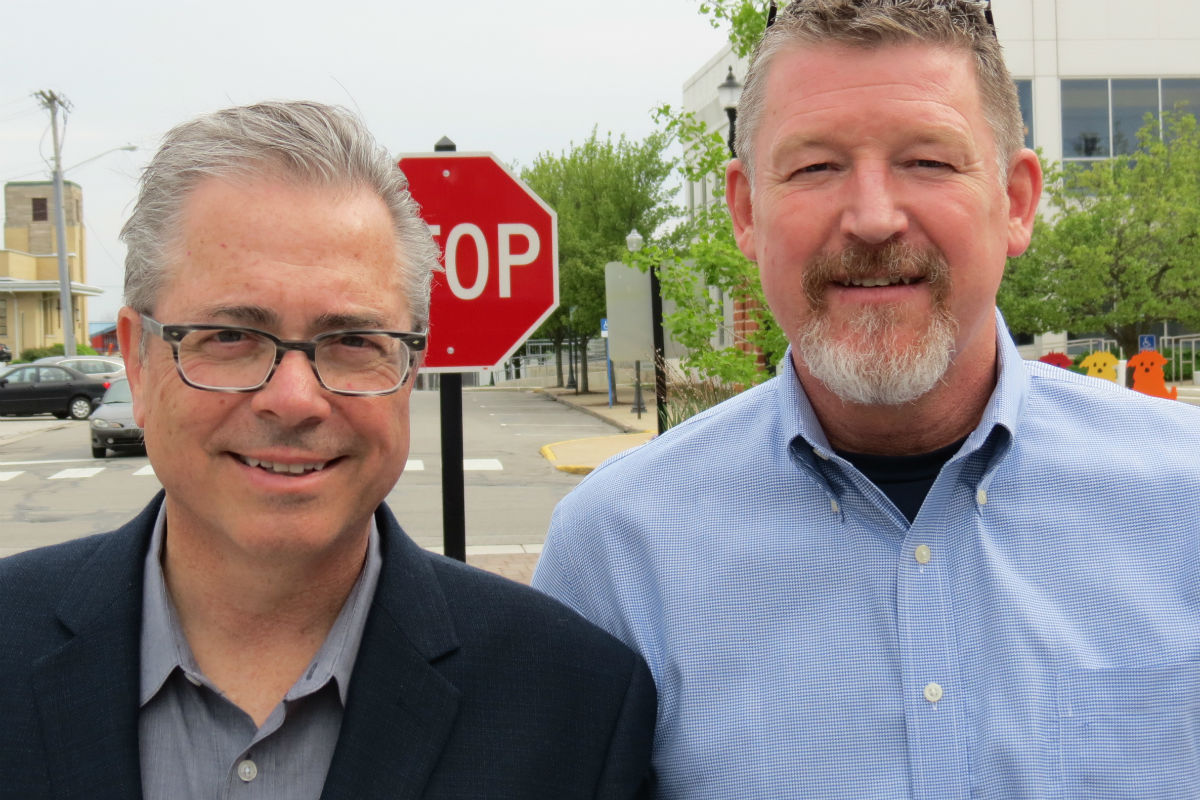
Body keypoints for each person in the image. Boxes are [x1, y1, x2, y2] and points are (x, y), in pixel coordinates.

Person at [534, 1, 1200, 796]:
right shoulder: (617, 553)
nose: (875, 219)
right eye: (816, 166)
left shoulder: (1185, 504)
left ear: (1018, 201)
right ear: (746, 211)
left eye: (928, 161)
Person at [0, 101, 655, 800]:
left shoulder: (575, 707)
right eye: (229, 336)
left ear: (411, 368)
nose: (295, 399)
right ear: (136, 356)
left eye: (352, 342)